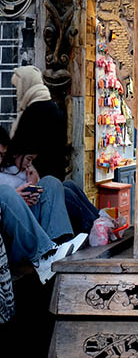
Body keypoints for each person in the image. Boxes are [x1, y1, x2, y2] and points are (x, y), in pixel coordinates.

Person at [9, 66, 99, 233]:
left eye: (17, 87)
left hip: (40, 176)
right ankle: (98, 223)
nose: (16, 93)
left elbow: (18, 149)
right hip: (49, 174)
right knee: (66, 189)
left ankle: (96, 224)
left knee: (65, 189)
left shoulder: (34, 111)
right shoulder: (50, 106)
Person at [0, 128, 84, 283]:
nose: (0, 160)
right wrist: (13, 197)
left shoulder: (19, 171)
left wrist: (30, 186)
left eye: (2, 156)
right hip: (11, 244)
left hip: (27, 233)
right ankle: (45, 255)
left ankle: (58, 247)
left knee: (51, 182)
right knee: (5, 193)